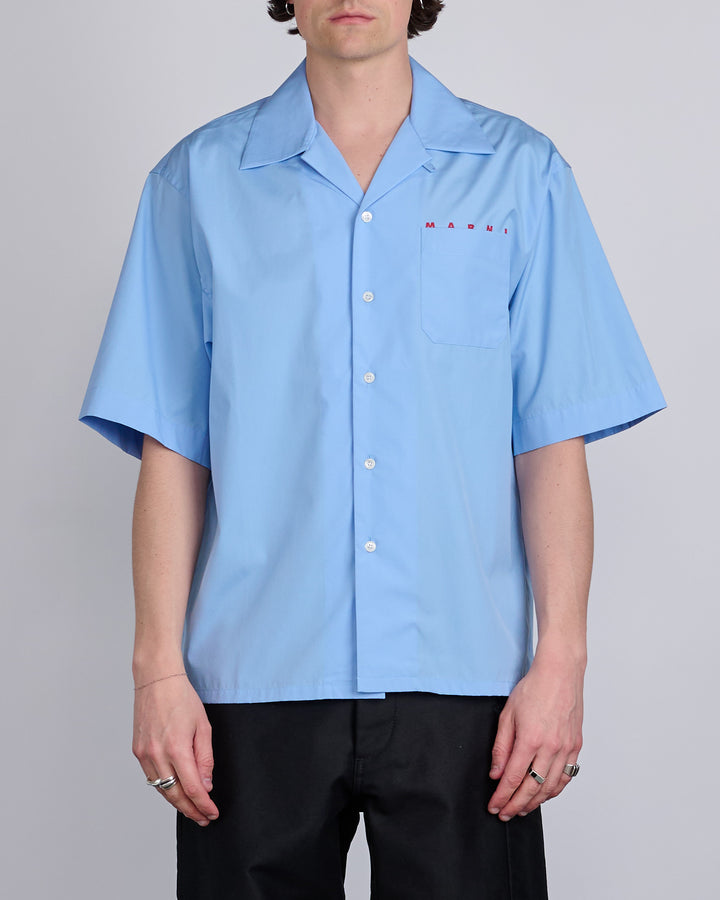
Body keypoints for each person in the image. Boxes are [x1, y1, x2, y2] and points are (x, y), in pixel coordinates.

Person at [77, 1, 667, 897]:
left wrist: (563, 661)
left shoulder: (520, 175)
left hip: (465, 680)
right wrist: (156, 669)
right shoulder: (196, 182)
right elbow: (174, 446)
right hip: (253, 679)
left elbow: (550, 441)